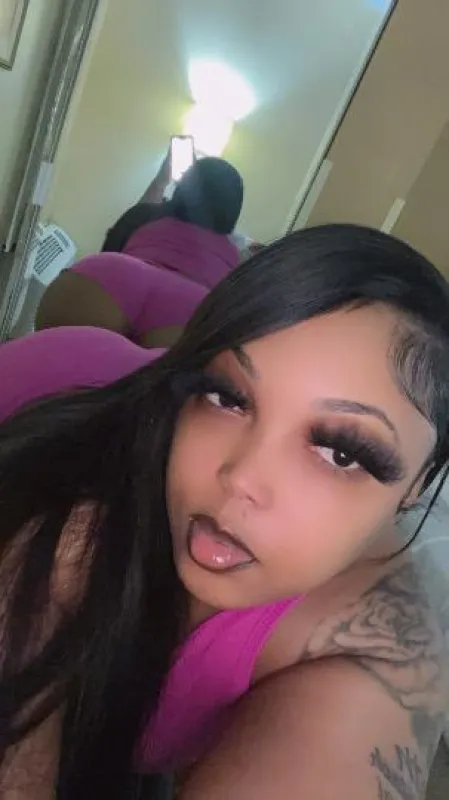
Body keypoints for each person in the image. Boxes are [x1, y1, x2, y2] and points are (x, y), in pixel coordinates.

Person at [1, 224, 448, 800]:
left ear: (420, 484)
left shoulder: (377, 655)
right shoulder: (76, 514)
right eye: (226, 397)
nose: (240, 478)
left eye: (340, 452)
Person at [35, 156, 244, 347]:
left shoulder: (145, 216)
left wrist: (161, 180)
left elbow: (114, 245)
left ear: (181, 187)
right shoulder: (236, 260)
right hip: (188, 313)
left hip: (109, 277)